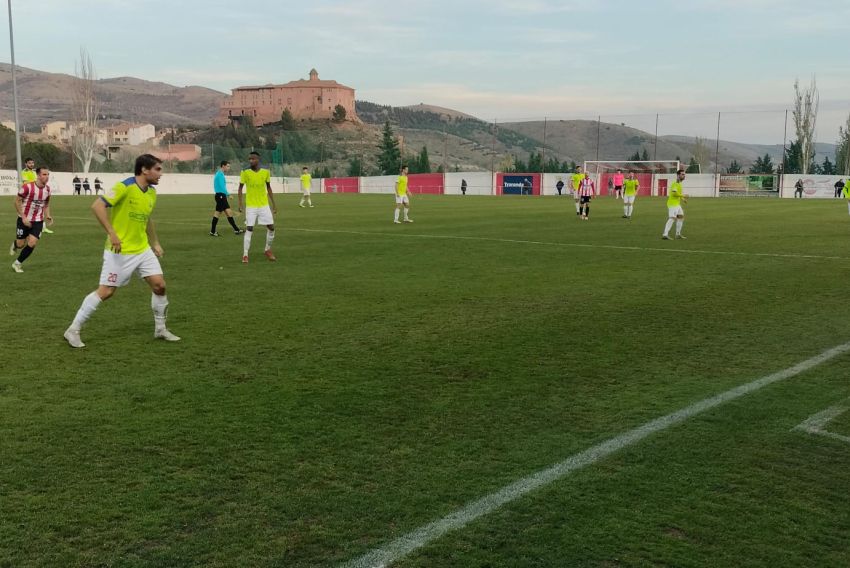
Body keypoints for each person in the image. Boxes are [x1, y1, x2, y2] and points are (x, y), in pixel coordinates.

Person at [64, 154, 180, 348]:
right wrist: (112, 233)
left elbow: (147, 218)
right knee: (106, 291)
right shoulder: (124, 186)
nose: (161, 174)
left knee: (159, 285)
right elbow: (97, 205)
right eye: (158, 169)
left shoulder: (151, 192)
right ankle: (73, 330)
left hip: (142, 249)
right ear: (144, 169)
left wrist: (155, 242)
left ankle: (160, 329)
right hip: (120, 251)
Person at [10, 167, 53, 273]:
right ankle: (15, 244)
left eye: (47, 174)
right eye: (44, 174)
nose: (46, 177)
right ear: (38, 175)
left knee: (32, 243)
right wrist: (24, 217)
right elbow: (16, 201)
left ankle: (17, 263)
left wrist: (48, 215)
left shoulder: (47, 189)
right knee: (21, 244)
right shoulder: (27, 187)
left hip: (38, 220)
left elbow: (46, 204)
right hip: (23, 220)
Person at [237, 151, 277, 263]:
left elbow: (269, 187)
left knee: (271, 228)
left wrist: (273, 204)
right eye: (249, 159)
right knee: (249, 229)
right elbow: (240, 188)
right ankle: (245, 254)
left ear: (258, 159)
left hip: (264, 205)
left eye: (253, 159)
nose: (250, 161)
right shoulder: (245, 171)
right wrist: (240, 203)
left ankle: (267, 250)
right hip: (251, 206)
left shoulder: (266, 171)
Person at [209, 161, 244, 236]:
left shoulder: (220, 174)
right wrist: (228, 194)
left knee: (229, 212)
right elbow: (222, 187)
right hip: (220, 196)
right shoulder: (220, 175)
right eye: (227, 166)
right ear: (223, 166)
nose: (229, 168)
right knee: (217, 213)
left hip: (221, 196)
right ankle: (212, 231)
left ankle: (236, 230)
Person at [21, 158, 53, 234]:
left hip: (37, 192)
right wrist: (36, 182)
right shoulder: (24, 172)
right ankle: (25, 227)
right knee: (28, 211)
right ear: (26, 164)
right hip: (28, 194)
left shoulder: (34, 171)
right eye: (29, 163)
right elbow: (26, 182)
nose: (31, 164)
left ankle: (42, 227)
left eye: (32, 163)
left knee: (39, 208)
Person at [662, 169, 688, 240]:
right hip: (672, 204)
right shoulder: (675, 183)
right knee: (672, 218)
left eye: (684, 174)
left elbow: (677, 194)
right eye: (682, 174)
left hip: (677, 204)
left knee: (681, 217)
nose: (684, 176)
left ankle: (677, 234)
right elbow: (674, 193)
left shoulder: (679, 183)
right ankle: (665, 234)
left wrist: (682, 199)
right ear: (678, 175)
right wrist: (683, 195)